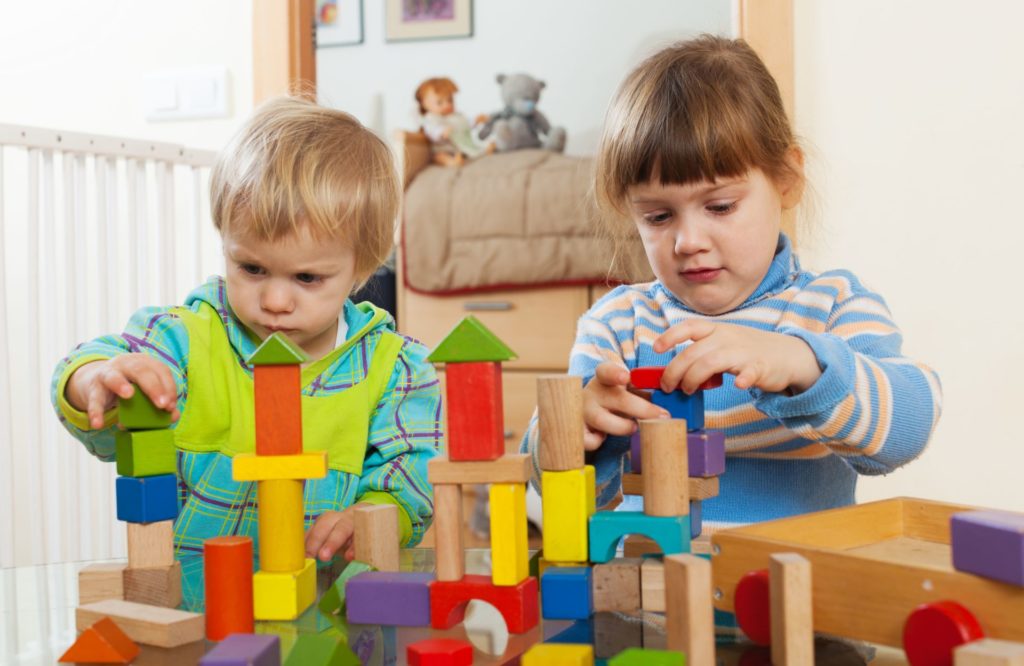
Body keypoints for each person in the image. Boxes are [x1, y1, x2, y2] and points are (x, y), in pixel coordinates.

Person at [521, 35, 942, 539]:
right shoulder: (617, 325)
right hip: (653, 599)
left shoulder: (832, 306)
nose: (688, 242)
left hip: (798, 596)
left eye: (719, 206)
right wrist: (576, 427)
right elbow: (550, 483)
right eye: (658, 216)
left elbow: (908, 428)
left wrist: (801, 363)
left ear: (786, 179)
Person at [51, 97, 441, 580]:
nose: (275, 300)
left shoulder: (392, 368)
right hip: (198, 604)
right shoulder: (187, 337)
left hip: (328, 610)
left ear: (360, 268)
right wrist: (95, 381)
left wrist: (373, 517)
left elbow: (411, 477)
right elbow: (106, 365)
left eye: (307, 278)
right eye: (251, 268)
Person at [416, 76, 490, 166]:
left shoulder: (457, 116)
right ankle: (451, 162)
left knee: (474, 147)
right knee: (438, 156)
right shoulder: (431, 118)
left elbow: (465, 124)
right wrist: (440, 132)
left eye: (450, 100)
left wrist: (476, 120)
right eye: (440, 102)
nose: (447, 105)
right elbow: (431, 130)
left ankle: (483, 150)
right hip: (444, 148)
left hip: (460, 147)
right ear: (425, 104)